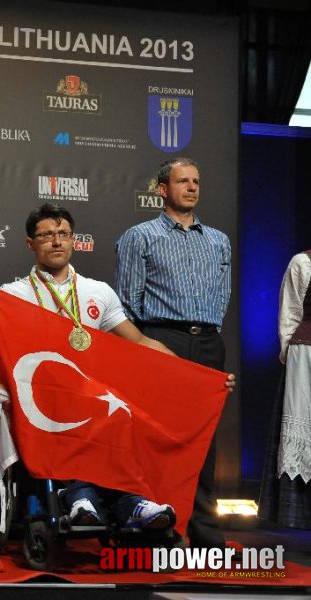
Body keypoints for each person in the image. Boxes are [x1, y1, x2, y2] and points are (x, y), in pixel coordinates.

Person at [0, 203, 179, 530]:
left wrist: (189, 372)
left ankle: (130, 502)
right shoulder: (12, 296)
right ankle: (80, 495)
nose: (56, 241)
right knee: (77, 407)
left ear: (73, 240)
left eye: (63, 234)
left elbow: (139, 343)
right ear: (31, 244)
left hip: (90, 395)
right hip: (37, 400)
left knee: (119, 409)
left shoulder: (98, 292)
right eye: (46, 235)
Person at [114, 157, 232, 548]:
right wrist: (144, 347)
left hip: (208, 340)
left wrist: (210, 338)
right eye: (183, 181)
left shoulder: (218, 240)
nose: (192, 187)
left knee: (204, 439)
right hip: (161, 338)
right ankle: (160, 527)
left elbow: (223, 294)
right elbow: (128, 303)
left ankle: (205, 532)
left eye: (196, 181)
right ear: (162, 189)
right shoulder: (140, 236)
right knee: (157, 437)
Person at [260, 250, 311, 528]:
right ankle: (298, 514)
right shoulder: (303, 262)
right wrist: (290, 355)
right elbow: (290, 314)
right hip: (306, 362)